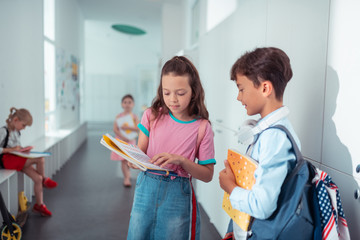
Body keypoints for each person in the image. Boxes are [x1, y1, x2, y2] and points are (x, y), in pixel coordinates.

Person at [127, 56, 216, 240]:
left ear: (194, 91)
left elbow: (207, 175)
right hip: (146, 189)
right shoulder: (150, 115)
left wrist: (181, 160)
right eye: (166, 93)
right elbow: (140, 153)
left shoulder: (202, 127)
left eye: (180, 93)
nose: (172, 99)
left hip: (178, 193)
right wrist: (132, 160)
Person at [219, 47, 300, 239]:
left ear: (265, 88)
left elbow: (262, 206)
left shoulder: (275, 138)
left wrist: (230, 186)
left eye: (241, 89)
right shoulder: (266, 132)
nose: (239, 97)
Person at [0, 107, 57, 217]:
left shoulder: (17, 132)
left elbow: (16, 147)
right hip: (6, 160)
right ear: (15, 120)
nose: (24, 128)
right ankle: (45, 179)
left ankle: (39, 205)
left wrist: (23, 149)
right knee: (40, 159)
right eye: (24, 125)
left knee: (37, 178)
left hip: (16, 159)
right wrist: (11, 150)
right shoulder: (3, 131)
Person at [111, 94, 139, 187]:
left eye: (129, 102)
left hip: (131, 141)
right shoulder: (119, 116)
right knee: (123, 160)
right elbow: (115, 129)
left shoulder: (134, 117)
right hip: (121, 141)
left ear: (133, 104)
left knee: (128, 160)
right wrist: (122, 137)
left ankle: (127, 174)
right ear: (122, 104)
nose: (127, 104)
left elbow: (138, 129)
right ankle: (126, 178)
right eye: (125, 102)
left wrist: (128, 127)